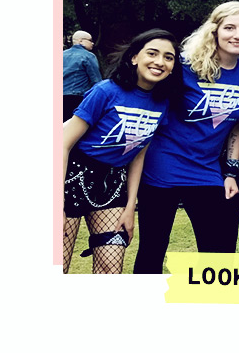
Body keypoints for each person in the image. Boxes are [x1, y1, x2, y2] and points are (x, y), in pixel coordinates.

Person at [135, 2, 239, 273]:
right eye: (230, 27)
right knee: (153, 249)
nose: (238, 35)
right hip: (162, 169)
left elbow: (237, 124)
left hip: (207, 171)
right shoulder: (184, 66)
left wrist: (231, 172)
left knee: (219, 253)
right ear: (215, 30)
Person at [61, 29, 180, 273]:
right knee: (57, 267)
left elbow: (138, 154)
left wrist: (130, 207)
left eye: (168, 57)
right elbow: (62, 143)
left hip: (113, 184)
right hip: (71, 179)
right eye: (152, 53)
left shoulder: (163, 102)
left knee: (111, 269)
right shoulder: (105, 91)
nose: (160, 62)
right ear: (134, 57)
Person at [62, 30, 101, 121]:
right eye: (90, 40)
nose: (92, 43)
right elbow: (96, 79)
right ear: (80, 41)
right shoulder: (88, 56)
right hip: (77, 97)